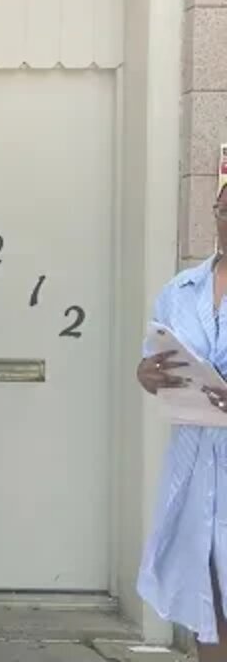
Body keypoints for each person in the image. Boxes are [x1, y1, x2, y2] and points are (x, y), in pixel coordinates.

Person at [136, 178, 227, 660]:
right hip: (194, 462)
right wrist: (146, 373)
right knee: (204, 594)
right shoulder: (180, 290)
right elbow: (153, 362)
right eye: (224, 210)